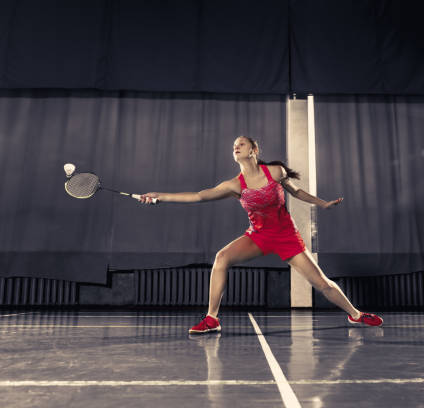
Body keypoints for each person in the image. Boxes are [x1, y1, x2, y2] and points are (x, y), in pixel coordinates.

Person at [140, 136, 383, 334]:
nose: (236, 146)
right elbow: (198, 196)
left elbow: (296, 192)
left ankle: (356, 315)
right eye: (234, 145)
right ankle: (212, 318)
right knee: (222, 258)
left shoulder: (275, 172)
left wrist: (323, 204)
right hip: (258, 236)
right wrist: (159, 195)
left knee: (321, 283)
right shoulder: (234, 185)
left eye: (241, 144)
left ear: (254, 149)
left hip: (287, 236)